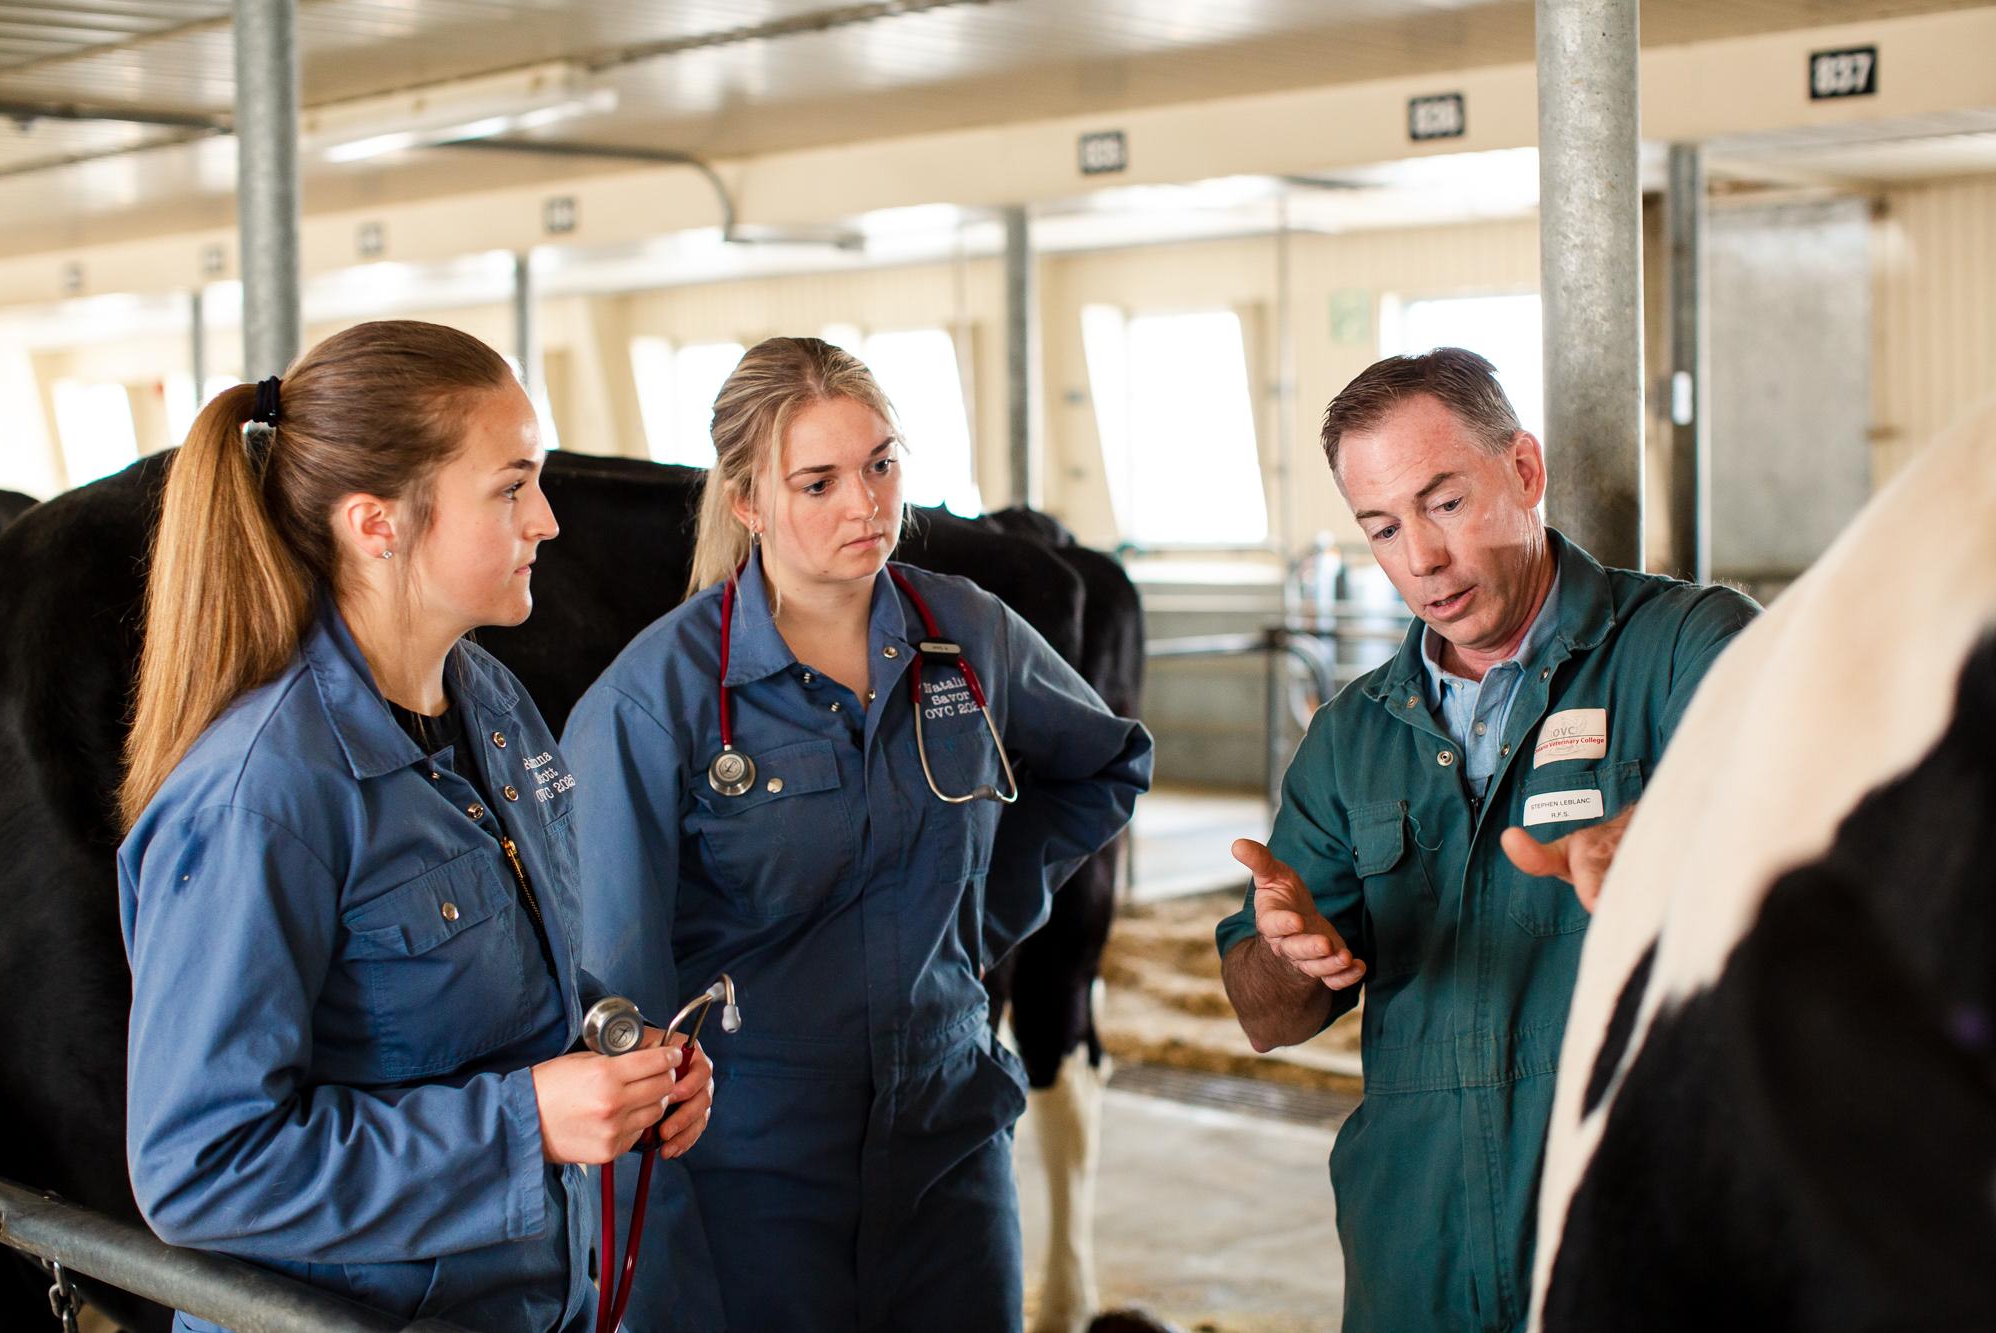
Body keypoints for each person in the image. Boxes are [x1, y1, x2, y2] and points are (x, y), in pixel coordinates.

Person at [117, 320, 714, 1333]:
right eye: (512, 485)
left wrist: (617, 1057)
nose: (548, 521)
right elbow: (198, 1170)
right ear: (376, 522)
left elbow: (499, 995)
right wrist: (525, 1124)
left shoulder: (490, 705)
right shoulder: (262, 797)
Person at [564, 336, 1153, 1332]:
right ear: (746, 499)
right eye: (818, 481)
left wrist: (972, 925)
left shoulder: (967, 636)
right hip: (748, 1165)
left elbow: (1102, 763)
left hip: (949, 1147)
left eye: (881, 463)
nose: (864, 504)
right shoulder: (656, 698)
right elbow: (609, 986)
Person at [1216, 348, 1758, 1332]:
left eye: (1445, 503)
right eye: (1382, 526)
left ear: (1523, 471)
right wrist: (1291, 956)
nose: (1418, 557)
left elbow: (1795, 790)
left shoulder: (1684, 645)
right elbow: (1264, 1018)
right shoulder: (1353, 737)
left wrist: (1663, 825)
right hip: (1415, 1251)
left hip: (1634, 1230)